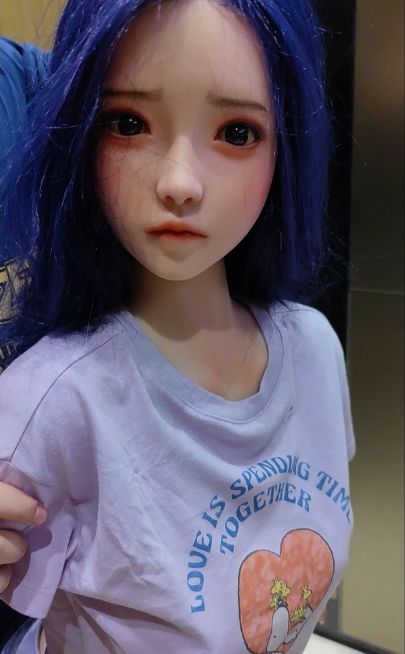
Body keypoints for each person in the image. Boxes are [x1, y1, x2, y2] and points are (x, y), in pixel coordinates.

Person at [0, 0, 356, 652]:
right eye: (128, 124)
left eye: (237, 133)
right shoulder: (55, 401)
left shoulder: (313, 349)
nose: (180, 182)